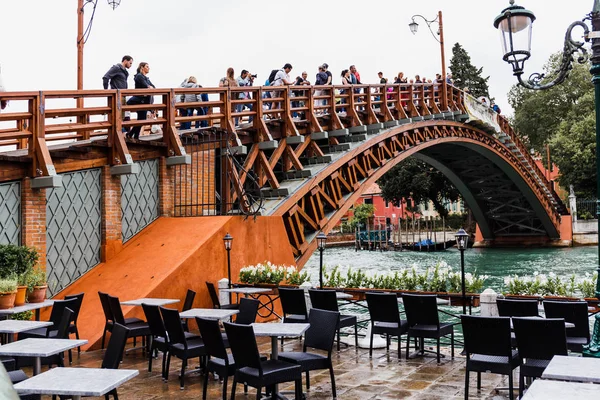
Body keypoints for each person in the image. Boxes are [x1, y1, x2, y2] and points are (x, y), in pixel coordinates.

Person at [103, 55, 133, 134]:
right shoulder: (116, 68)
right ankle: (117, 133)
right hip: (117, 96)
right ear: (125, 61)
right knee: (118, 116)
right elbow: (106, 77)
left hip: (123, 95)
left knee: (124, 115)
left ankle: (124, 133)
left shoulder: (124, 71)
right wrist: (106, 91)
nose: (131, 65)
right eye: (130, 63)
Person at [126, 62, 155, 139]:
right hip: (138, 100)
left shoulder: (146, 78)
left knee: (141, 120)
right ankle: (133, 135)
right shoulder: (139, 76)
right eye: (147, 66)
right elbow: (146, 86)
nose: (149, 68)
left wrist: (150, 87)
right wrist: (149, 87)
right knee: (141, 119)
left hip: (144, 101)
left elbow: (154, 87)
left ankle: (133, 135)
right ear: (142, 67)